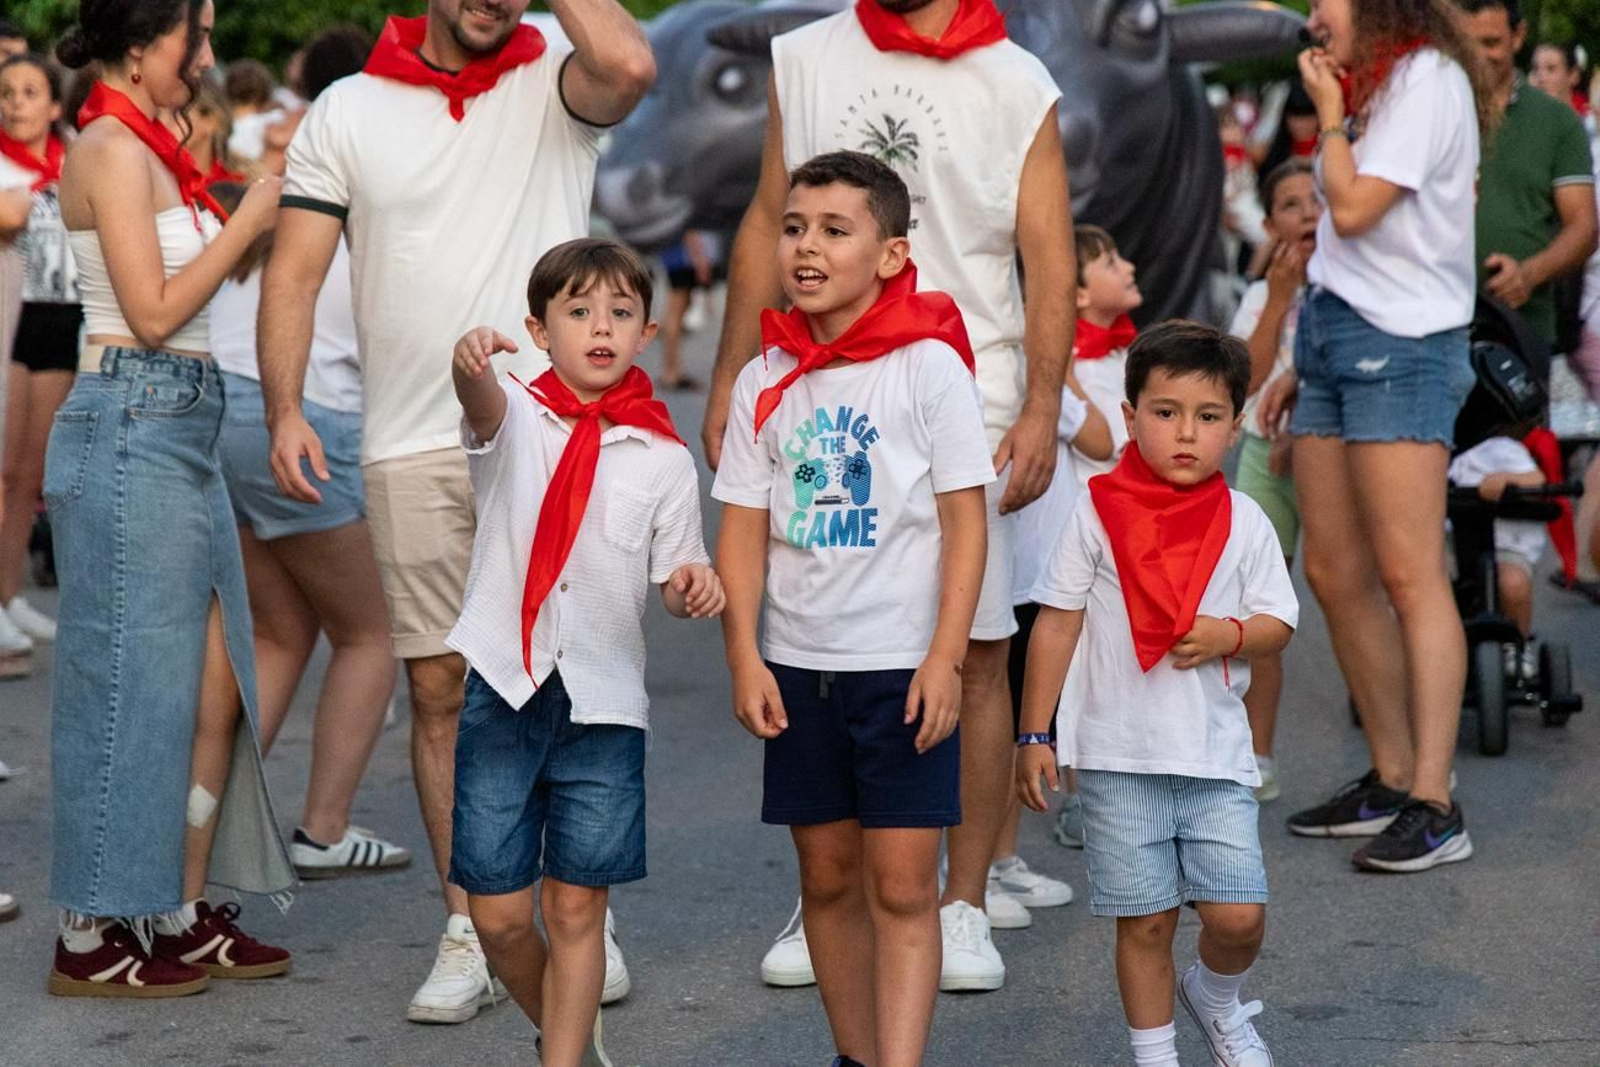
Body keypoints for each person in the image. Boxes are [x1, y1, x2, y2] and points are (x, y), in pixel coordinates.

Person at [259, 0, 655, 1024]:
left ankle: (579, 912)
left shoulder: (559, 77)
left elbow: (630, 60)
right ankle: (470, 922)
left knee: (572, 669)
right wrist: (286, 405)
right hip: (410, 441)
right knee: (439, 685)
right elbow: (295, 271)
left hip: (556, 435)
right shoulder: (346, 107)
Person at [703, 0, 1074, 990]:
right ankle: (830, 883)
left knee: (978, 653)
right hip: (810, 374)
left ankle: (963, 896)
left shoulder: (1016, 78)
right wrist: (736, 368)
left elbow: (1048, 246)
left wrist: (1040, 404)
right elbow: (759, 217)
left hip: (968, 381)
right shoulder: (805, 54)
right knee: (820, 631)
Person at [714, 150, 992, 1067]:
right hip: (799, 666)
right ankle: (857, 1054)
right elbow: (746, 533)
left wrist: (946, 656)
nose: (806, 246)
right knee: (826, 876)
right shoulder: (767, 379)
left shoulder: (930, 367)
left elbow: (964, 522)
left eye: (836, 230)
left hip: (903, 665)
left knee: (905, 885)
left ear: (891, 253)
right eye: (795, 227)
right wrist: (745, 655)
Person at [44, 0, 293, 998]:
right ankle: (89, 923)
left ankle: (169, 903)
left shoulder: (154, 144)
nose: (208, 57)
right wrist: (245, 222)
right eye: (197, 37)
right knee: (123, 679)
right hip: (134, 412)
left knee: (208, 678)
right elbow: (151, 312)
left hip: (176, 417)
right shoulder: (108, 143)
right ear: (144, 46)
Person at [448, 238, 721, 1067]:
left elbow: (680, 569)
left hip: (603, 703)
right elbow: (477, 402)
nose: (600, 326)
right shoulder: (515, 418)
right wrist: (468, 365)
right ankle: (562, 1030)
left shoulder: (665, 458)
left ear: (647, 330)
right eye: (578, 311)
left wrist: (690, 587)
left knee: (577, 911)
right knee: (496, 915)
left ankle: (564, 1057)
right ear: (539, 329)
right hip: (506, 684)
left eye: (620, 312)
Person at [1017, 321, 1297, 1067]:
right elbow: (1056, 622)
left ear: (1235, 427)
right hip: (1116, 755)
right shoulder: (1096, 507)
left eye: (1208, 417)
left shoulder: (1245, 518)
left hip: (1213, 756)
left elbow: (1279, 620)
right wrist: (1034, 733)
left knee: (1238, 916)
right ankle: (1155, 1053)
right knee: (1143, 921)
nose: (1185, 432)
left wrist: (1228, 635)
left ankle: (1214, 996)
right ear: (1132, 412)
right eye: (1165, 411)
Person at [1280, 0, 1488, 871]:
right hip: (1335, 326)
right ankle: (1394, 776)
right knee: (1332, 566)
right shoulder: (1381, 84)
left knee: (1408, 571)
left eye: (1328, 0)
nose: (1313, 14)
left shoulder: (1428, 80)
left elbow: (1357, 205)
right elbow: (1344, 237)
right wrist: (1301, 351)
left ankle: (1437, 801)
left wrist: (1328, 118)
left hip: (1402, 341)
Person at [210, 174, 404, 882]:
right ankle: (323, 829)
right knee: (372, 632)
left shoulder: (272, 237)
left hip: (222, 416)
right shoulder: (362, 244)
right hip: (306, 420)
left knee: (278, 630)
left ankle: (202, 811)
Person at [1228, 158, 1320, 802]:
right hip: (1265, 456)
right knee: (1264, 609)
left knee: (1357, 590)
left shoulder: (1356, 281)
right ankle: (1258, 754)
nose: (1309, 212)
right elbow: (1247, 378)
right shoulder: (1261, 295)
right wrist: (1280, 294)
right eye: (1291, 204)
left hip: (1328, 451)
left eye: (1318, 199)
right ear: (1268, 224)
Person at [1461, 0, 1596, 353]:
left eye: (1491, 43)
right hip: (1434, 326)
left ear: (1518, 37)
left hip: (1520, 328)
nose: (1478, 57)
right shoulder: (1434, 108)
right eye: (1467, 44)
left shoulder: (1556, 121)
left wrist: (1528, 275)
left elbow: (1584, 227)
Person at [0, 53, 76, 673]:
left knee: (30, 475)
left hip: (65, 320)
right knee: (3, 469)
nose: (15, 102)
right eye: (6, 92)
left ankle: (10, 594)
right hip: (16, 319)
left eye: (29, 91)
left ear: (55, 105)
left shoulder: (76, 156)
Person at [1447, 436, 1549, 675]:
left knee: (1512, 584)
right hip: (1446, 542)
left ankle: (1518, 648)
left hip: (1502, 543)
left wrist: (1507, 480)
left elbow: (1537, 479)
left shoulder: (1498, 447)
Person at [657, 229, 722, 390]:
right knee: (676, 310)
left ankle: (671, 370)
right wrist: (699, 259)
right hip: (685, 258)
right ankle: (671, 372)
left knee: (676, 309)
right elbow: (689, 228)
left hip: (679, 255)